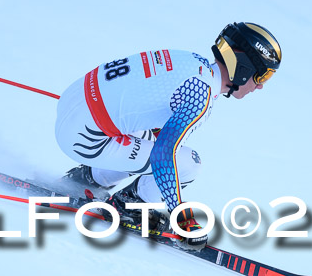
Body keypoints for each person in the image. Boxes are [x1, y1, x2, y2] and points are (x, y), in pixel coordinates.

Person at [54, 22, 282, 250]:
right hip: (84, 137)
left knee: (156, 140)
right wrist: (182, 218)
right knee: (188, 164)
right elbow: (163, 155)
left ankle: (92, 177)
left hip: (74, 109)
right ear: (244, 68)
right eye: (263, 76)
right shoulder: (201, 95)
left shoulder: (191, 61)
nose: (260, 86)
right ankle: (132, 205)